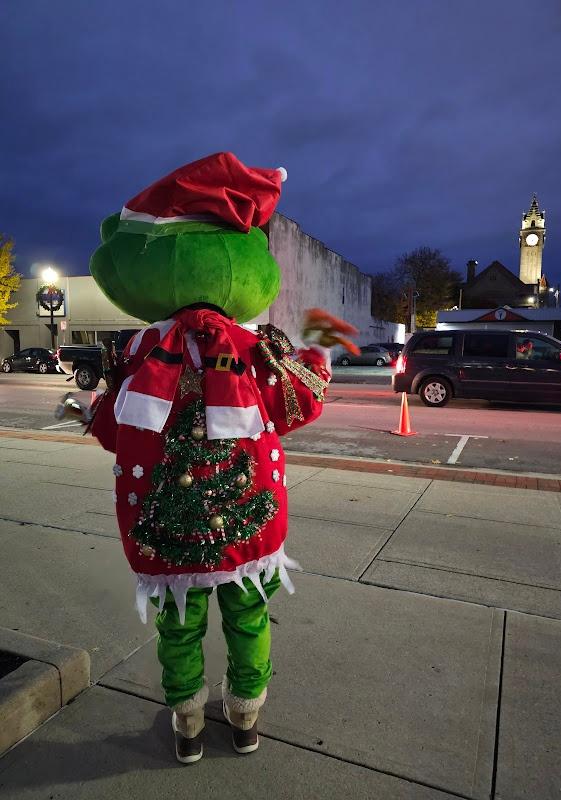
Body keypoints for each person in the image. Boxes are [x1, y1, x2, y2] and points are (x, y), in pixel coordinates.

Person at [86, 153, 357, 764]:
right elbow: (299, 407)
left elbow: (113, 430)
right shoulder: (258, 349)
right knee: (249, 616)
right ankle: (245, 718)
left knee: (178, 625)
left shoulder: (138, 352)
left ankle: (186, 724)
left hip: (162, 523)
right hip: (250, 518)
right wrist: (319, 354)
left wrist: (87, 414)